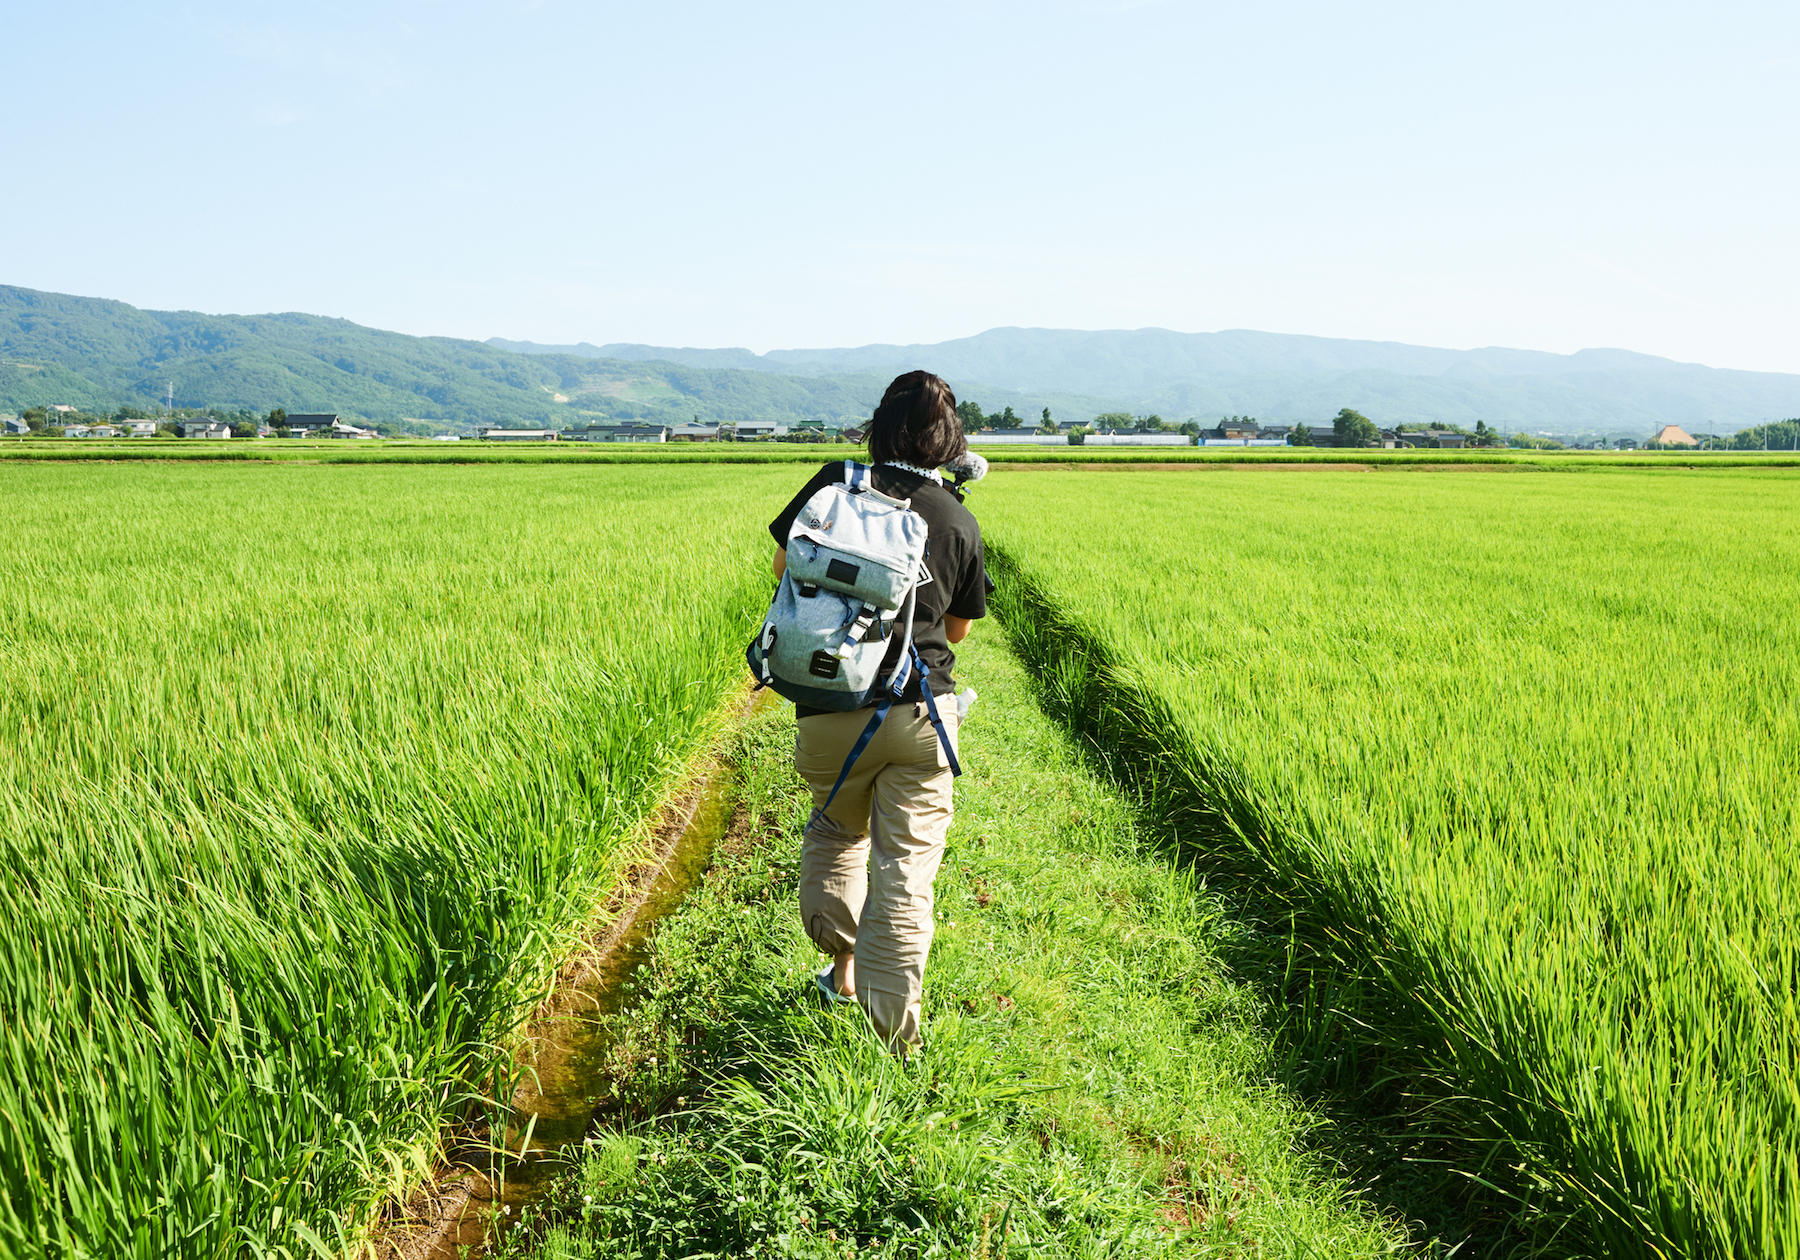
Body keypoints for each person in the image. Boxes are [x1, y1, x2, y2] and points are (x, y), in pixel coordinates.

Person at [766, 370, 991, 1055]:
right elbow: (957, 633)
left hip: (831, 711)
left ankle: (841, 972)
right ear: (950, 443)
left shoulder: (835, 486)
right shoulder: (956, 518)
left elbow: (783, 567)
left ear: (880, 425)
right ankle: (892, 1039)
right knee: (905, 872)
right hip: (920, 718)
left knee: (839, 834)